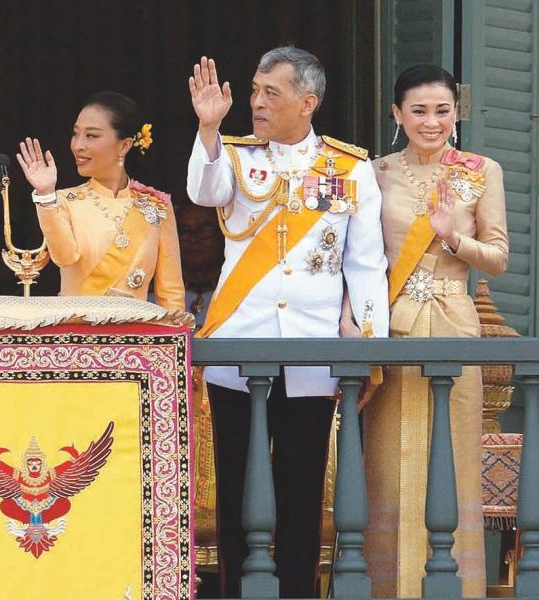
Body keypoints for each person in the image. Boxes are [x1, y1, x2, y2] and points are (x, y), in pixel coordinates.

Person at [186, 48, 389, 598]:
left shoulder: (350, 170)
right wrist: (208, 129)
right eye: (253, 90)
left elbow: (366, 264)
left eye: (269, 93)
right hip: (237, 349)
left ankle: (298, 591)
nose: (255, 102)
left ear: (308, 102)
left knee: (300, 493)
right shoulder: (232, 156)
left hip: (311, 356)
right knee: (235, 491)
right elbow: (203, 192)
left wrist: (364, 345)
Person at [361, 65, 508, 598]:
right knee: (387, 461)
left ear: (456, 114)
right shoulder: (373, 172)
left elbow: (497, 258)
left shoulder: (479, 170)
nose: (431, 121)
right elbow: (359, 258)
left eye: (442, 110)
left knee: (451, 460)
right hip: (393, 325)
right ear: (396, 115)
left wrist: (453, 240)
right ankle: (385, 589)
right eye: (418, 111)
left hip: (453, 324)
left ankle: (456, 590)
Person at [16, 91, 184, 311]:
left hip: (135, 341)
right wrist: (46, 194)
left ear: (124, 145)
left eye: (91, 136)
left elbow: (171, 295)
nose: (78, 145)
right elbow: (64, 257)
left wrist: (177, 341)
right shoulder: (63, 201)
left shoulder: (156, 206)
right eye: (75, 134)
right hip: (77, 337)